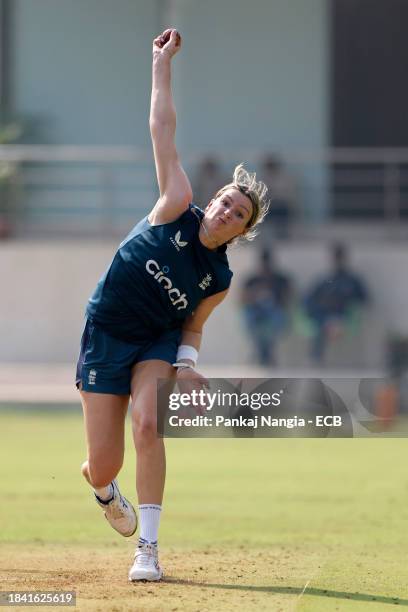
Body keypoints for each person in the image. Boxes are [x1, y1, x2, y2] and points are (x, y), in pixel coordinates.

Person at [76, 29, 269, 583]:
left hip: (155, 344)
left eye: (238, 215)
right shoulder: (174, 204)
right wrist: (161, 65)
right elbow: (162, 129)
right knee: (103, 464)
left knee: (147, 423)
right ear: (212, 200)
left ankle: (149, 551)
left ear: (242, 231)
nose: (226, 212)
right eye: (226, 202)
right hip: (106, 332)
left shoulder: (220, 276)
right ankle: (103, 490)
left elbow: (193, 327)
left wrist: (185, 368)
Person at [303, 243, 369, 364]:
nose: (337, 261)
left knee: (331, 323)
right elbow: (309, 298)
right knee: (321, 322)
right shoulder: (324, 279)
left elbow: (364, 299)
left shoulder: (352, 280)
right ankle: (316, 358)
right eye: (335, 257)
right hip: (322, 314)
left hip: (342, 315)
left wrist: (345, 300)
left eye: (340, 257)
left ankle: (320, 355)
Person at [240, 247, 291, 366]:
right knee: (249, 318)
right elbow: (242, 300)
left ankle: (267, 351)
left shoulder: (280, 279)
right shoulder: (252, 280)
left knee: (277, 319)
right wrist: (255, 293)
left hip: (275, 311)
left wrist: (274, 293)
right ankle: (262, 351)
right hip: (255, 311)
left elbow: (288, 298)